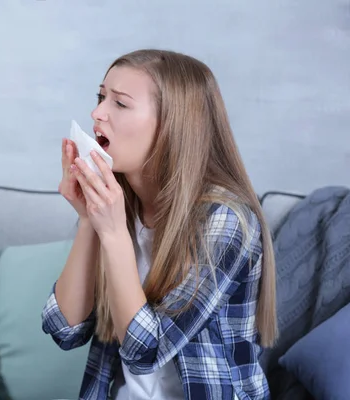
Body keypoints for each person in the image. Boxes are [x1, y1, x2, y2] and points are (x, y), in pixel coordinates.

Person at [41, 49, 277, 400]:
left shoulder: (225, 221)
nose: (96, 113)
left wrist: (114, 233)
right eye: (101, 96)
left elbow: (145, 353)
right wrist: (89, 219)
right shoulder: (115, 205)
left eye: (120, 104)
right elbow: (65, 330)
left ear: (171, 125)